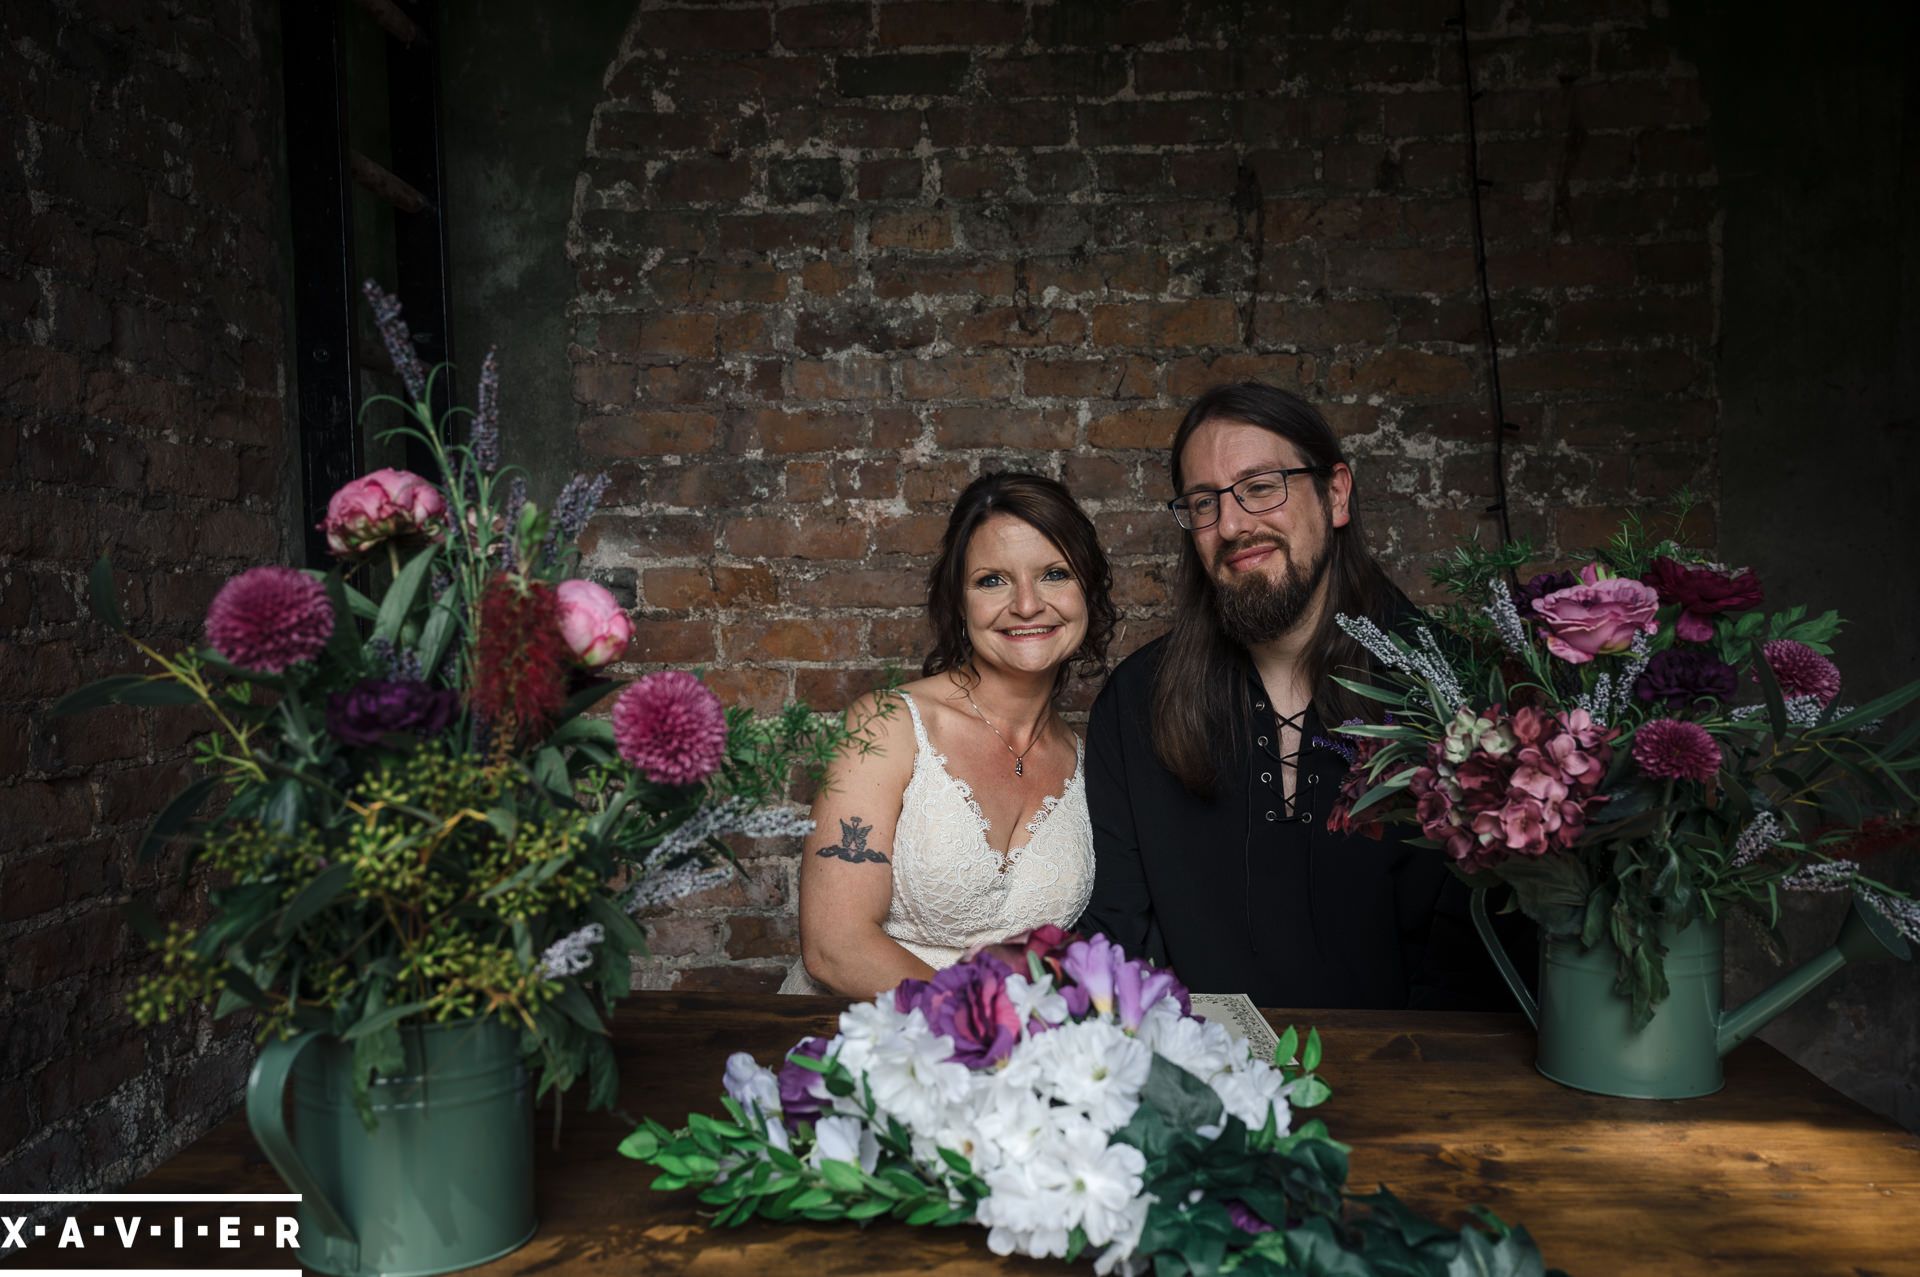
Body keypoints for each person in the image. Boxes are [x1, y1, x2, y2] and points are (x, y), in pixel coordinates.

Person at [1077, 382, 1510, 1009]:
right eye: (1204, 503)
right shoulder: (1138, 700)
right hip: (1203, 1082)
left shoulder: (1450, 689)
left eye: (1260, 487)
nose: (1231, 525)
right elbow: (1118, 933)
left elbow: (1480, 956)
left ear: (1335, 494)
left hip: (1416, 1085)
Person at [784, 472, 1116, 997]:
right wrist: (984, 1030)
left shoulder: (1091, 760)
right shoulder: (887, 726)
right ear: (959, 604)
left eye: (1055, 574)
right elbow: (834, 946)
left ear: (1087, 593)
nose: (1027, 605)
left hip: (1011, 1062)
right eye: (992, 580)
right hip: (864, 1038)